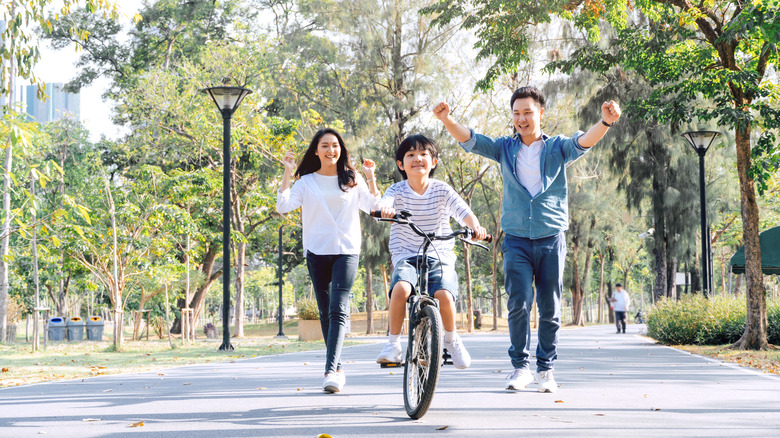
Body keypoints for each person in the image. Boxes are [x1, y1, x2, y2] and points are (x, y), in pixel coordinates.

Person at [433, 86, 621, 393]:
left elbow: (583, 141)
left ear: (541, 113)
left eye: (528, 112)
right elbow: (470, 139)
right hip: (517, 239)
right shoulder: (505, 148)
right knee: (518, 302)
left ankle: (545, 369)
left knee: (550, 306)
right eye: (517, 113)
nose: (522, 119)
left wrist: (605, 122)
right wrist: (446, 119)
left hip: (550, 237)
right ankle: (520, 367)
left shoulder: (557, 147)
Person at [276, 128, 379, 393]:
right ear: (316, 151)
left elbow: (373, 207)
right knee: (325, 311)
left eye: (335, 145)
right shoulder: (306, 182)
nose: (331, 150)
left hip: (346, 249)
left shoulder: (352, 178)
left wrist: (371, 177)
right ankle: (338, 366)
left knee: (338, 307)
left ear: (341, 149)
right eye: (325, 145)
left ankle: (330, 370)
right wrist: (288, 172)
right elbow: (283, 206)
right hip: (317, 250)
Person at [374, 134, 487, 369]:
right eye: (410, 155)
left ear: (433, 162)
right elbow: (385, 203)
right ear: (400, 164)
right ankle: (393, 345)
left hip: (439, 253)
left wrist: (474, 227)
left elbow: (463, 212)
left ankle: (452, 340)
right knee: (401, 289)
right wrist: (385, 209)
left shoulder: (442, 190)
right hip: (406, 254)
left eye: (424, 154)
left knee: (444, 295)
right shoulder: (397, 190)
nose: (418, 159)